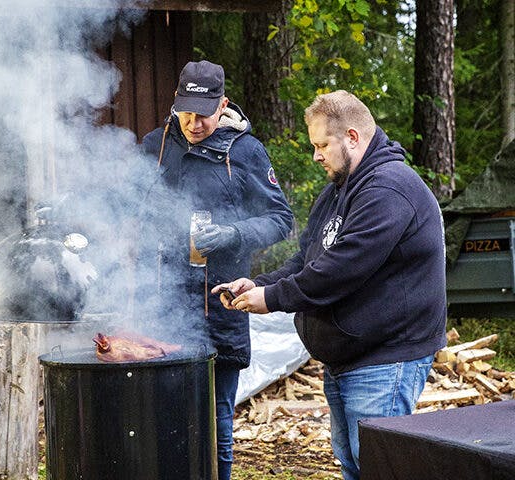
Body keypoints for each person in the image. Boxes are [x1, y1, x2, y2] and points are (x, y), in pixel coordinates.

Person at [213, 90, 447, 480]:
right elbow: (307, 260)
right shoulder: (338, 190)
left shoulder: (388, 189)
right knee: (354, 465)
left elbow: (341, 269)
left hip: (385, 359)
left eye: (322, 145)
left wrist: (271, 298)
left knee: (379, 469)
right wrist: (256, 282)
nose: (316, 155)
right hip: (346, 358)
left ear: (352, 137)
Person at [141, 60, 293, 480]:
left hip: (220, 306)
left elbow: (281, 219)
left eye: (203, 114)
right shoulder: (155, 145)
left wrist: (233, 233)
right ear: (176, 103)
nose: (193, 123)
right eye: (186, 111)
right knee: (163, 420)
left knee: (217, 422)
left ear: (222, 104)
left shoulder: (245, 151)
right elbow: (127, 210)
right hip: (162, 309)